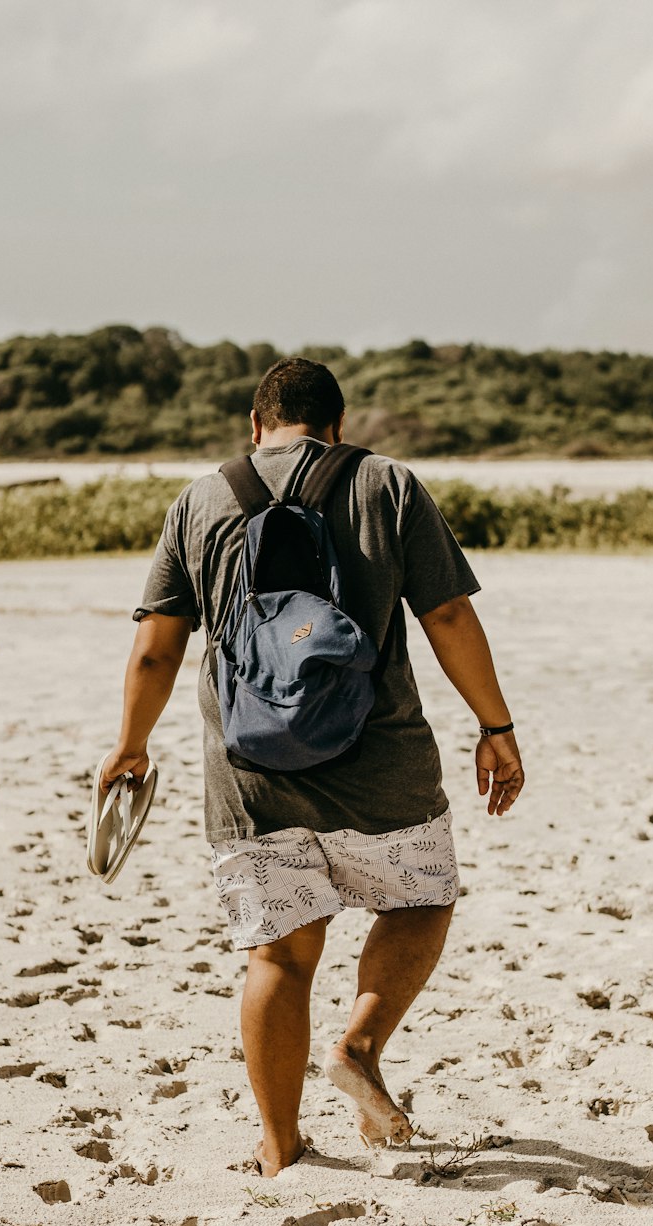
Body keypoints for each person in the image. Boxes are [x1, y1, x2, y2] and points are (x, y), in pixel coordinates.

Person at [101, 358, 524, 1174]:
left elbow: (158, 645)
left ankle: (279, 1146)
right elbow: (446, 612)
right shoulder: (387, 485)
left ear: (256, 427)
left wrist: (130, 745)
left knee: (280, 957)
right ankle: (359, 1046)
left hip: (250, 772)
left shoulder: (202, 498)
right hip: (381, 759)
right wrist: (494, 723)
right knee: (422, 899)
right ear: (337, 426)